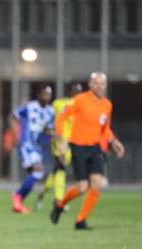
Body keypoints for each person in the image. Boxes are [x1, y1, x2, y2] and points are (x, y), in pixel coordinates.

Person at [50, 72, 125, 230]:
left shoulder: (107, 105)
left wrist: (113, 141)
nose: (99, 86)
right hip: (78, 147)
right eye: (96, 83)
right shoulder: (79, 100)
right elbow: (61, 118)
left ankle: (80, 221)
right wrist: (61, 142)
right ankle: (59, 205)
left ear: (105, 86)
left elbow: (105, 129)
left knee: (96, 184)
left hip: (95, 148)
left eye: (102, 83)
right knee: (82, 188)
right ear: (89, 85)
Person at [9, 85, 59, 214]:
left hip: (36, 146)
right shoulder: (30, 107)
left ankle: (18, 202)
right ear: (38, 95)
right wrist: (14, 137)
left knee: (33, 175)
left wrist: (54, 135)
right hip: (25, 143)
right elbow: (12, 117)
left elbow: (47, 129)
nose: (46, 97)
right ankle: (17, 197)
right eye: (44, 94)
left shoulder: (50, 112)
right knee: (37, 171)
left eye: (48, 94)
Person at [35, 82, 83, 210]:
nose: (76, 94)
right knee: (61, 168)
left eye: (78, 91)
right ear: (68, 91)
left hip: (74, 141)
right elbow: (51, 121)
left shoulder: (82, 106)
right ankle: (58, 200)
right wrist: (52, 133)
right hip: (59, 141)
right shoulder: (58, 104)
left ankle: (42, 193)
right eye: (73, 91)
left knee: (57, 171)